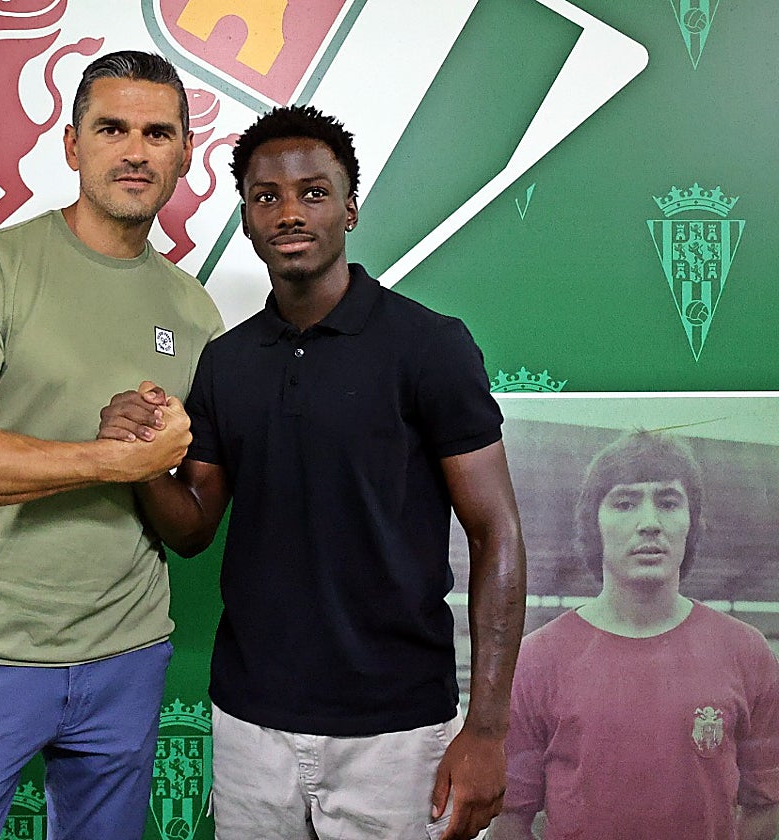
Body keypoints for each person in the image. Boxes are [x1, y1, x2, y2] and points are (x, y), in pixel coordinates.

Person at [99, 105, 527, 840]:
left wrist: (486, 730)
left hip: (395, 730)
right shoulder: (227, 362)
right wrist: (134, 460)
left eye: (314, 192)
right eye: (267, 196)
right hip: (249, 725)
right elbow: (193, 525)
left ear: (351, 208)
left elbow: (497, 534)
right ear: (246, 218)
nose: (289, 211)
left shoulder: (428, 346)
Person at [0, 51, 224, 840]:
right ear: (73, 145)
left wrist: (144, 463)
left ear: (182, 154)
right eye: (112, 128)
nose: (134, 150)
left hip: (127, 656)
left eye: (157, 132)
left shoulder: (196, 312)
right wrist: (113, 459)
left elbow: (191, 523)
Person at [489, 431, 779, 840]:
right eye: (625, 502)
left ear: (692, 522)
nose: (649, 524)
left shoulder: (747, 652)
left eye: (668, 502)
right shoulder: (537, 659)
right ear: (595, 522)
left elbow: (766, 806)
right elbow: (509, 821)